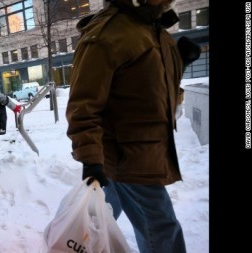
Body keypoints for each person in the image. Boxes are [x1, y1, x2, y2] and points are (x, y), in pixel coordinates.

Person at [65, 0, 201, 252]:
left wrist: (178, 62)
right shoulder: (108, 34)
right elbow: (83, 106)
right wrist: (91, 160)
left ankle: (74, 245)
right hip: (128, 157)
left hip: (143, 150)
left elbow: (145, 85)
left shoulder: (151, 27)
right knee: (161, 228)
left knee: (97, 219)